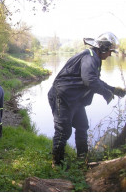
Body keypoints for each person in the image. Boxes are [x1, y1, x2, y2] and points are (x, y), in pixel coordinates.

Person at [47, 32, 126, 167]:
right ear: (103, 48)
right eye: (110, 51)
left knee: (82, 126)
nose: (110, 55)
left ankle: (82, 160)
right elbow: (89, 80)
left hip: (75, 99)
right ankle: (57, 164)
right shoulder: (89, 57)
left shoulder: (93, 58)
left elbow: (95, 80)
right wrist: (106, 93)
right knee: (63, 130)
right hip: (62, 96)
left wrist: (113, 90)